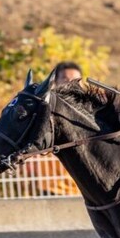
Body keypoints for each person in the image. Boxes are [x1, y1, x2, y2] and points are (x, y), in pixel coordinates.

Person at [25, 62, 82, 197]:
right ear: (55, 83)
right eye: (66, 80)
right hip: (51, 187)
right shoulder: (44, 111)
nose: (71, 84)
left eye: (76, 80)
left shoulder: (86, 113)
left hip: (80, 187)